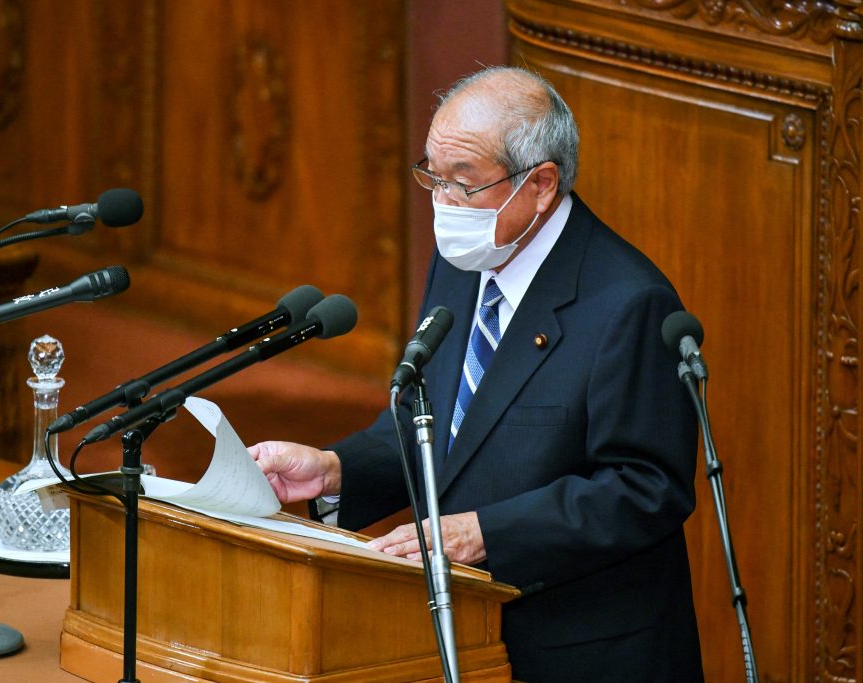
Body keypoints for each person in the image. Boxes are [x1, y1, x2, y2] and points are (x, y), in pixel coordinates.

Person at [248, 66, 704, 682]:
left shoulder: (629, 303)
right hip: (461, 635)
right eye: (431, 176)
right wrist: (334, 471)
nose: (441, 203)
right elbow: (431, 421)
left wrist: (486, 532)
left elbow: (645, 489)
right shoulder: (465, 261)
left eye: (461, 183)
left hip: (579, 649)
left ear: (541, 184)